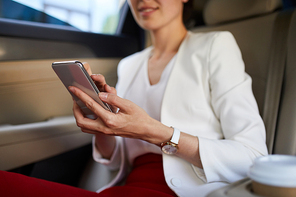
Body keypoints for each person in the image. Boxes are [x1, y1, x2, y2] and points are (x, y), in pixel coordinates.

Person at [0, 0, 268, 196]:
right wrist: (99, 122)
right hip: (128, 186)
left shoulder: (215, 46)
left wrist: (156, 132)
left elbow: (252, 156)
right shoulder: (130, 65)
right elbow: (117, 159)